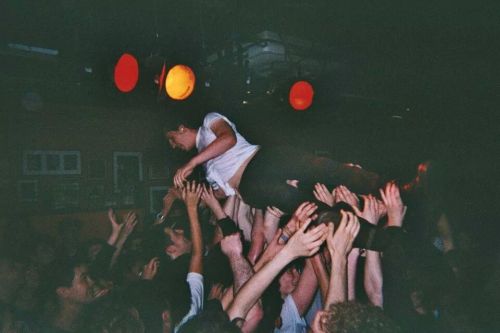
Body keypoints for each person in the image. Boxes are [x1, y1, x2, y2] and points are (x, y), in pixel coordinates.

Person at [165, 112, 382, 213]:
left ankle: (377, 185)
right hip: (248, 187)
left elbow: (228, 139)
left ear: (181, 128)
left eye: (172, 140)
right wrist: (191, 196)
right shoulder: (205, 167)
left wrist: (191, 162)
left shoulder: (208, 122)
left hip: (260, 160)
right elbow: (223, 192)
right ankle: (355, 219)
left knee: (315, 167)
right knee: (300, 205)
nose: (175, 146)